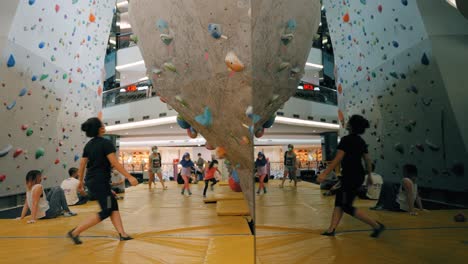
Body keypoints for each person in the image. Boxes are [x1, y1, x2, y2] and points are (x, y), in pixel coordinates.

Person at [67, 117, 138, 245]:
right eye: (102, 125)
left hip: (93, 181)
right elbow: (114, 162)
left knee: (112, 205)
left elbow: (82, 164)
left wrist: (81, 181)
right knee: (106, 210)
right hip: (100, 182)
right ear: (99, 128)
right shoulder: (106, 143)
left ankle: (122, 234)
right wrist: (129, 176)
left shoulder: (89, 145)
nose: (104, 126)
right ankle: (75, 232)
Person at [317, 115, 385, 238]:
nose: (346, 123)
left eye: (349, 122)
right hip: (357, 176)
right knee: (339, 202)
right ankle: (331, 229)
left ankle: (376, 225)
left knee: (346, 206)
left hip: (350, 176)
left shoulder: (346, 140)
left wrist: (324, 173)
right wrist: (369, 175)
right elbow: (368, 160)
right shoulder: (361, 141)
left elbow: (338, 158)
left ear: (351, 126)